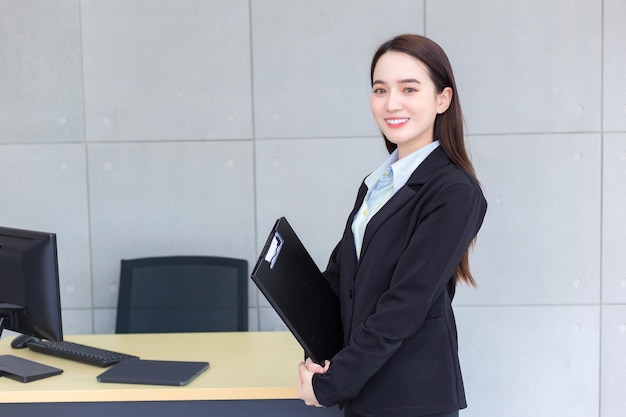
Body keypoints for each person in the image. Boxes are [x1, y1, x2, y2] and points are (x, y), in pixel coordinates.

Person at [297, 34, 487, 417]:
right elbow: (340, 280)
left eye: (409, 89)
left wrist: (333, 384)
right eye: (380, 89)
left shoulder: (454, 192)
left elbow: (404, 306)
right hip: (365, 390)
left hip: (410, 397)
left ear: (442, 99)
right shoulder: (378, 183)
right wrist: (314, 354)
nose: (391, 103)